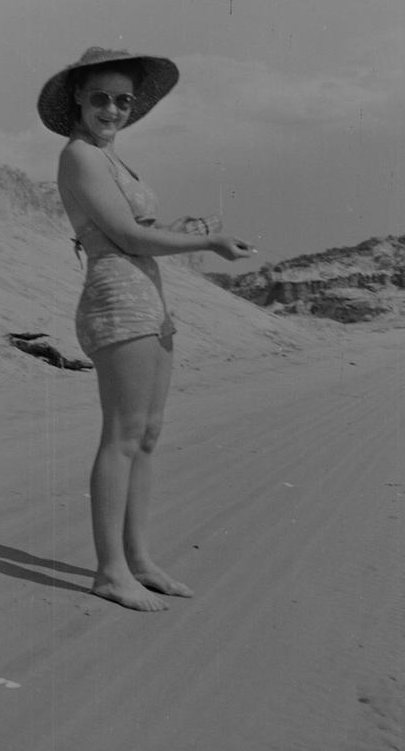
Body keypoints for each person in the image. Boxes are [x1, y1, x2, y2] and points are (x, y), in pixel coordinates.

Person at [37, 47, 253, 611]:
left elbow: (133, 231)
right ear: (78, 97)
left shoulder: (110, 158)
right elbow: (128, 238)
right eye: (100, 98)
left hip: (147, 295)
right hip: (117, 296)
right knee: (124, 433)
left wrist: (188, 232)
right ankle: (110, 572)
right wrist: (207, 241)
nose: (112, 109)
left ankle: (138, 560)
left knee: (148, 435)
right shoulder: (80, 155)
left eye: (123, 100)